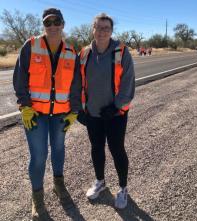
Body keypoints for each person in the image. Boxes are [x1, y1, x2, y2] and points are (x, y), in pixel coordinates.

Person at [13, 8, 81, 220]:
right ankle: (37, 197)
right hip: (35, 114)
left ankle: (58, 186)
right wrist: (25, 106)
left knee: (59, 149)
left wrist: (74, 111)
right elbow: (19, 78)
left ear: (63, 24)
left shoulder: (71, 51)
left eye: (56, 21)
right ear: (44, 25)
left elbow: (76, 85)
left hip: (61, 113)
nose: (52, 26)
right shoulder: (31, 46)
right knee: (39, 156)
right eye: (47, 22)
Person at [78, 13, 135, 209]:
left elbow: (128, 84)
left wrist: (116, 106)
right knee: (96, 148)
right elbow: (78, 82)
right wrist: (79, 108)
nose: (102, 31)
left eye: (106, 28)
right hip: (92, 113)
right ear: (92, 29)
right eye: (98, 27)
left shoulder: (121, 52)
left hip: (115, 114)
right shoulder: (84, 53)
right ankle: (100, 182)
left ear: (111, 31)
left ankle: (123, 188)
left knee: (117, 149)